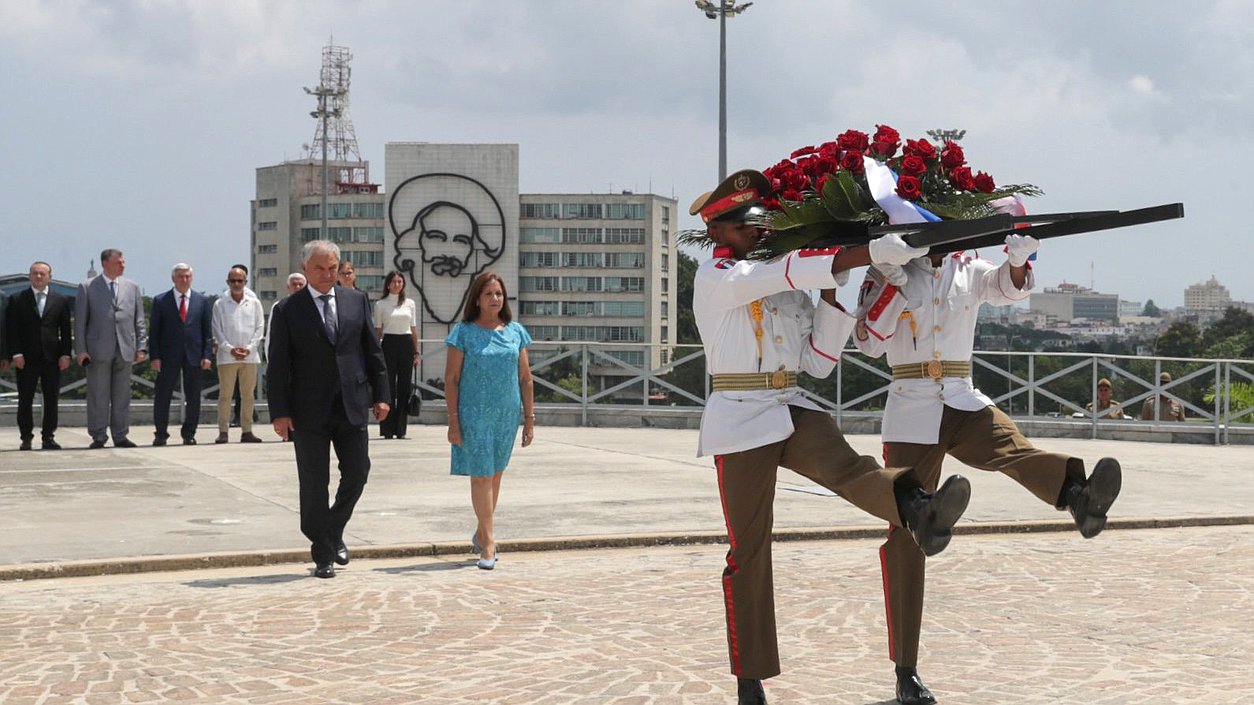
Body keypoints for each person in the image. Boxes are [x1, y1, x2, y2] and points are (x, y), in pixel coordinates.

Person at [689, 170, 974, 705]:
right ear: (718, 230)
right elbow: (788, 269)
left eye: (761, 224)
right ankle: (750, 681)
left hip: (789, 402)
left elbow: (818, 362)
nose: (757, 232)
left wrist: (839, 289)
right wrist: (863, 252)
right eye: (746, 225)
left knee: (849, 467)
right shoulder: (717, 276)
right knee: (749, 551)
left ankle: (918, 508)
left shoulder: (783, 281)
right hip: (738, 413)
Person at [852, 204, 1123, 705]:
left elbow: (1006, 286)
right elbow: (867, 342)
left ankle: (1078, 496)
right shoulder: (885, 272)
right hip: (911, 406)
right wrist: (889, 274)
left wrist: (1018, 258)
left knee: (1012, 447)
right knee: (907, 536)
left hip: (961, 396)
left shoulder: (966, 270)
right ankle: (905, 672)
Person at [267, 240, 390, 579]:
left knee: (358, 472)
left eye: (332, 268)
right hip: (308, 410)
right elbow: (278, 365)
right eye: (319, 268)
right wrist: (279, 411)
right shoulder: (287, 310)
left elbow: (373, 352)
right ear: (305, 269)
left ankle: (331, 530)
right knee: (314, 482)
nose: (326, 274)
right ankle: (323, 554)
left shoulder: (356, 300)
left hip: (351, 404)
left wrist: (382, 396)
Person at [443, 271, 535, 571]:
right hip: (474, 413)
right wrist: (453, 421)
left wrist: (529, 419)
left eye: (499, 294)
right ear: (477, 299)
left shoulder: (515, 331)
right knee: (481, 474)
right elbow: (452, 378)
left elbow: (525, 378)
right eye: (489, 294)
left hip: (506, 414)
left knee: (495, 474)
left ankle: (482, 531)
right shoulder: (463, 332)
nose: (495, 299)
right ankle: (489, 543)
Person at [75, 248, 147, 449]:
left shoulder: (132, 287)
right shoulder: (87, 287)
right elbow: (80, 322)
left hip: (125, 348)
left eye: (123, 262)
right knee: (98, 394)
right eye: (119, 262)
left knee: (122, 395)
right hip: (98, 348)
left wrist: (142, 346)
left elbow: (139, 319)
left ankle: (121, 435)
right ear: (106, 264)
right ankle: (98, 435)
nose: (123, 265)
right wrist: (81, 349)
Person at [6, 261, 72, 450]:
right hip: (26, 358)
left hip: (52, 357)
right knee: (25, 399)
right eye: (35, 273)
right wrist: (16, 353)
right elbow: (12, 329)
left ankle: (48, 437)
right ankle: (26, 437)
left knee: (52, 399)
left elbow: (66, 330)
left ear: (50, 276)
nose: (39, 277)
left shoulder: (60, 300)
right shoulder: (18, 299)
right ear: (30, 276)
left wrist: (66, 354)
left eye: (43, 274)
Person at [149, 263, 214, 446]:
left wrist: (207, 355)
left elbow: (207, 332)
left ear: (191, 278)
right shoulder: (161, 300)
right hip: (168, 355)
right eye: (180, 276)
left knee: (193, 397)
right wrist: (155, 356)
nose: (184, 280)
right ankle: (161, 433)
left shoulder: (201, 301)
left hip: (194, 355)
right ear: (173, 278)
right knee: (163, 395)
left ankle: (189, 433)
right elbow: (154, 331)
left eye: (187, 276)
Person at [212, 264, 265, 444]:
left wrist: (250, 348)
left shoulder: (254, 303)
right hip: (227, 357)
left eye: (239, 280)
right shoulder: (220, 303)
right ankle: (223, 431)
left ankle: (247, 430)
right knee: (225, 395)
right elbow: (217, 329)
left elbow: (260, 328)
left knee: (248, 396)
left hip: (249, 357)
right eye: (233, 281)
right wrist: (229, 348)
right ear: (228, 282)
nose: (236, 284)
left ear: (245, 281)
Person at [374, 271, 421, 439]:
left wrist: (416, 352)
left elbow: (413, 328)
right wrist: (375, 352)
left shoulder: (410, 303)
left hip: (406, 343)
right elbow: (378, 331)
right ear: (388, 284)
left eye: (400, 281)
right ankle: (386, 429)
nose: (397, 284)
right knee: (388, 387)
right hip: (389, 344)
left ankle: (400, 428)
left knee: (404, 387)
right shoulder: (380, 304)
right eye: (394, 281)